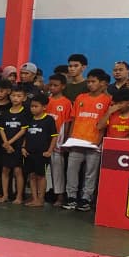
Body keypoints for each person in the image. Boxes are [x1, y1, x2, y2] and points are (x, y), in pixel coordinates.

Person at [62, 69, 112, 212]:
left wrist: (99, 141)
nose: (90, 84)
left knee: (91, 173)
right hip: (76, 140)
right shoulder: (80, 98)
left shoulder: (107, 100)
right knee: (72, 171)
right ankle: (71, 197)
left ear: (102, 83)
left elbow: (105, 123)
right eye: (88, 81)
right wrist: (69, 138)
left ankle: (86, 199)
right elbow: (74, 118)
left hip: (94, 142)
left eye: (93, 81)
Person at [0, 83, 32, 204]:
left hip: (18, 146)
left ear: (24, 98)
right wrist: (6, 143)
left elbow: (23, 130)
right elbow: (1, 129)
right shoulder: (5, 113)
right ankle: (5, 195)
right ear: (10, 96)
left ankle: (19, 196)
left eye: (19, 96)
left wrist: (10, 142)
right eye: (14, 95)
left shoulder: (25, 112)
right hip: (6, 146)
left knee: (17, 171)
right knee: (5, 170)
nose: (16, 98)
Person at [21, 94, 58, 208]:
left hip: (42, 153)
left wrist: (49, 151)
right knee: (31, 175)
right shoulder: (29, 119)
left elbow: (54, 136)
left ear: (44, 107)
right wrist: (23, 147)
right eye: (32, 106)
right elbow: (26, 135)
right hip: (29, 153)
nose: (33, 109)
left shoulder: (49, 120)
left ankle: (41, 199)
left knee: (41, 176)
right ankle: (34, 198)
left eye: (36, 106)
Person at [44, 74, 74, 206]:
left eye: (55, 85)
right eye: (50, 85)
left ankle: (60, 197)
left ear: (63, 86)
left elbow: (67, 123)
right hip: (44, 139)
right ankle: (41, 194)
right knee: (42, 170)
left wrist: (65, 140)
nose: (52, 87)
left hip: (58, 141)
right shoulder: (46, 100)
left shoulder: (66, 103)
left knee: (58, 170)